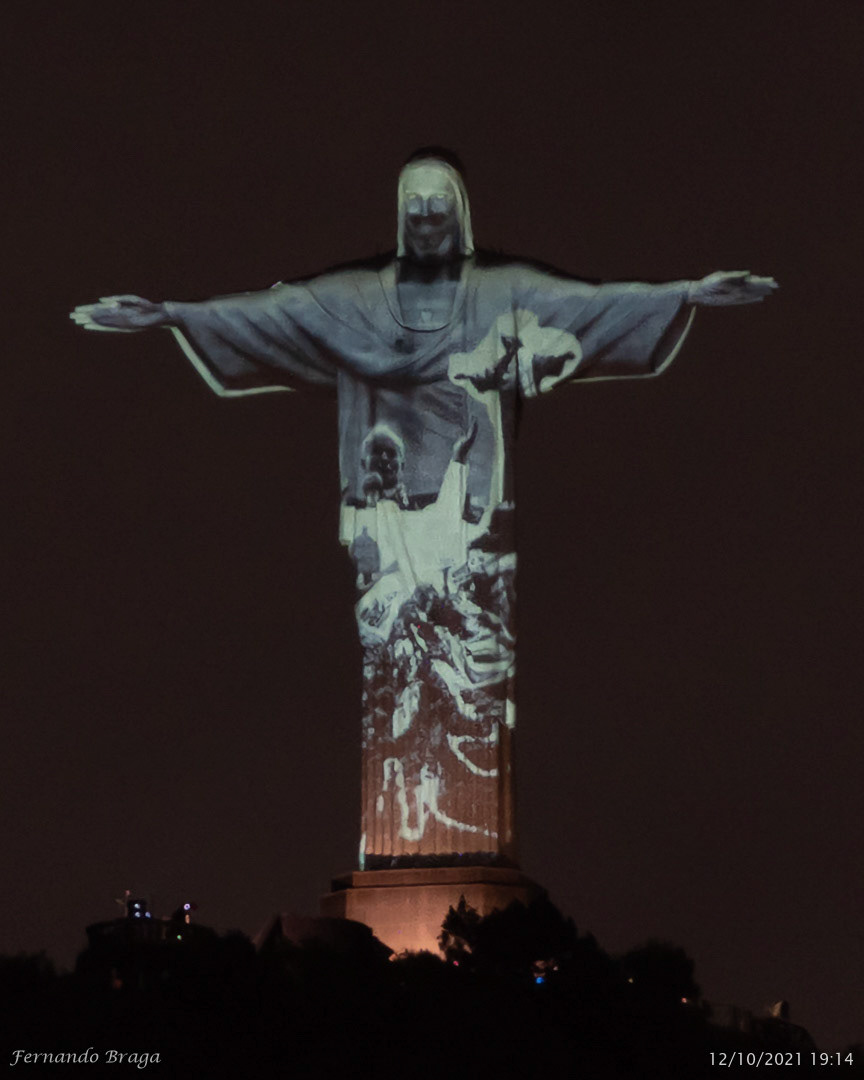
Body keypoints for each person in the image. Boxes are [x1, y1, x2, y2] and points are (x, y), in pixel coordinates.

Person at [71, 147, 777, 869]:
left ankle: (466, 852)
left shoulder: (502, 293)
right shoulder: (352, 301)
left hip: (471, 530)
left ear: (461, 212)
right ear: (399, 212)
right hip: (386, 527)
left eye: (440, 199)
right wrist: (167, 315)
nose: (427, 212)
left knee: (471, 675)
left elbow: (592, 308)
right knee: (397, 667)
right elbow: (270, 316)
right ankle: (401, 852)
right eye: (414, 199)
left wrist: (686, 293)